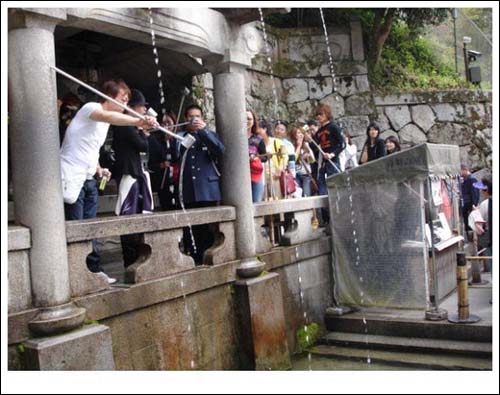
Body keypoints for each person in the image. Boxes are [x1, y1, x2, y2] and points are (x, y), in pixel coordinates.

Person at [60, 79, 158, 283]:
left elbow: (91, 149)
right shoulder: (91, 108)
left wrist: (99, 169)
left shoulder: (104, 124)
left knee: (90, 227)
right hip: (72, 176)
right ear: (108, 96)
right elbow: (108, 115)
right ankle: (75, 273)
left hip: (88, 178)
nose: (125, 104)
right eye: (123, 99)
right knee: (76, 226)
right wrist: (138, 121)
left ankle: (94, 269)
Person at [176, 104, 225, 264]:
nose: (194, 120)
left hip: (208, 189)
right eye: (191, 117)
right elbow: (178, 157)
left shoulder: (210, 135)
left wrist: (203, 131)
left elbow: (219, 150)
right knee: (192, 228)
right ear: (185, 119)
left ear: (202, 118)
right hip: (189, 189)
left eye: (197, 117)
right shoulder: (180, 137)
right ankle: (195, 257)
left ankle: (212, 256)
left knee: (210, 227)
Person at [112, 89, 155, 269]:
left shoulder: (131, 125)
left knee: (138, 216)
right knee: (128, 216)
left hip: (136, 173)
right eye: (140, 107)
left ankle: (137, 256)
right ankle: (130, 259)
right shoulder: (125, 124)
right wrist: (143, 131)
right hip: (128, 174)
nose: (143, 110)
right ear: (130, 107)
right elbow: (142, 145)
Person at [311, 103, 345, 224]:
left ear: (327, 115)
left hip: (333, 161)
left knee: (334, 189)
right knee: (322, 190)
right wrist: (307, 138)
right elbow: (313, 146)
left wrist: (332, 154)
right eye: (317, 115)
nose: (319, 117)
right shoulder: (319, 131)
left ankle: (338, 217)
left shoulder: (334, 127)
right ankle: (326, 219)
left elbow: (342, 144)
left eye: (321, 114)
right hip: (323, 164)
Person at [148, 112, 180, 211]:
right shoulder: (155, 141)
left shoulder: (178, 139)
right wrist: (161, 165)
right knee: (166, 205)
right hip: (163, 181)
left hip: (178, 180)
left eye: (168, 123)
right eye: (163, 123)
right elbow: (151, 165)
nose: (166, 126)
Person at [256, 119, 287, 200]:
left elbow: (285, 156)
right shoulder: (256, 143)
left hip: (274, 174)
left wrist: (280, 169)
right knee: (263, 199)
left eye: (258, 129)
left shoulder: (276, 142)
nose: (257, 131)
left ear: (265, 129)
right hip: (261, 175)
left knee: (277, 198)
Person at [247, 110, 267, 203]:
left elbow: (265, 157)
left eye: (249, 119)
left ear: (254, 121)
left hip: (255, 173)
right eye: (244, 118)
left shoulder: (258, 138)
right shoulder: (234, 138)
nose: (246, 121)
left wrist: (256, 157)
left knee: (256, 203)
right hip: (238, 175)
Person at [290, 127, 315, 197]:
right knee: (297, 195)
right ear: (294, 135)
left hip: (305, 174)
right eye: (298, 133)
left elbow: (312, 160)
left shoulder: (306, 145)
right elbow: (291, 160)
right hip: (295, 174)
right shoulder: (290, 146)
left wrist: (308, 156)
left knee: (306, 194)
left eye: (301, 133)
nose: (301, 135)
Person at [474, 177, 492, 272]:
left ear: (486, 191)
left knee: (491, 258)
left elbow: (479, 221)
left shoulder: (485, 204)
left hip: (490, 235)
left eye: (482, 191)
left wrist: (475, 212)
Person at [460, 164, 480, 234]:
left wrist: (474, 204)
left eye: (461, 171)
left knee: (472, 223)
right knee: (468, 222)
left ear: (465, 170)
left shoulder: (472, 179)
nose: (460, 173)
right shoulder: (465, 180)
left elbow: (475, 193)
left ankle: (473, 238)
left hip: (470, 205)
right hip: (466, 205)